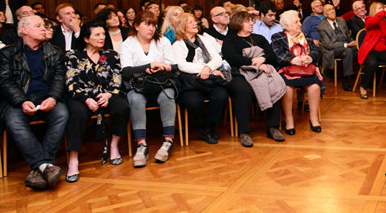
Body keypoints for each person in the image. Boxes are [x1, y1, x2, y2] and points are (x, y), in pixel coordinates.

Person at [0, 15, 68, 190]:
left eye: (44, 25)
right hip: (19, 99)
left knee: (62, 113)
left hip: (46, 97)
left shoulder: (55, 52)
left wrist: (52, 97)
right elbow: (5, 81)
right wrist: (21, 101)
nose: (44, 28)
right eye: (38, 26)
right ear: (24, 30)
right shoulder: (7, 53)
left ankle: (40, 166)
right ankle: (46, 166)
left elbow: (59, 78)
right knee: (13, 121)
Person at [64, 21, 129, 183]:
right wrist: (86, 99)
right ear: (86, 38)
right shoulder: (73, 56)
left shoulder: (111, 55)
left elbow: (116, 80)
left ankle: (114, 146)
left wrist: (108, 95)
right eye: (97, 35)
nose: (102, 38)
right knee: (77, 113)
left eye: (103, 35)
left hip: (105, 94)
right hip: (81, 96)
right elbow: (71, 82)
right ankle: (73, 159)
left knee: (122, 106)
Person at [120, 11, 178, 167]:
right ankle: (141, 144)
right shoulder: (128, 43)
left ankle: (168, 140)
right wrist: (149, 66)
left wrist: (160, 67)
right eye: (146, 24)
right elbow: (126, 71)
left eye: (153, 25)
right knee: (135, 99)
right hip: (138, 85)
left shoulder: (163, 41)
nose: (151, 28)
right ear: (137, 26)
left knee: (168, 96)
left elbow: (173, 66)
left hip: (159, 82)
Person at [222, 11, 285, 147]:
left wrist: (263, 59)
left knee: (274, 84)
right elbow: (232, 58)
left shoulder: (259, 38)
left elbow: (272, 55)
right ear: (238, 23)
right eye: (247, 21)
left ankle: (273, 127)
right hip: (239, 72)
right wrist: (254, 63)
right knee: (243, 90)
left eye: (252, 20)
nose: (252, 23)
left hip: (262, 70)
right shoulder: (230, 40)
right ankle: (244, 131)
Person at [172, 13, 229, 144]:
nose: (194, 24)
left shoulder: (204, 39)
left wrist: (208, 69)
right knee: (193, 102)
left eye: (195, 21)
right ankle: (204, 127)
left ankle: (208, 127)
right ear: (182, 26)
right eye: (190, 22)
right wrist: (203, 69)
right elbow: (181, 65)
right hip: (190, 82)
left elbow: (217, 58)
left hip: (209, 79)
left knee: (221, 95)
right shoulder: (178, 45)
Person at [271, 10, 324, 134]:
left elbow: (316, 51)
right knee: (287, 88)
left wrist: (310, 57)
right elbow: (277, 54)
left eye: (299, 21)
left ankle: (314, 119)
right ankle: (289, 121)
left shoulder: (306, 36)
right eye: (296, 22)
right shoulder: (277, 37)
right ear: (287, 26)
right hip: (288, 70)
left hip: (307, 69)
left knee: (315, 87)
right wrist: (293, 60)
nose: (300, 24)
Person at [357, 2, 386, 99]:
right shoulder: (369, 20)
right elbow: (374, 21)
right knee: (372, 63)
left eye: (382, 8)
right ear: (374, 10)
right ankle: (363, 86)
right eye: (380, 8)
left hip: (383, 51)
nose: (382, 10)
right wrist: (385, 10)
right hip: (370, 51)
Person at [316, 4, 357, 91]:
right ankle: (346, 79)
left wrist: (353, 42)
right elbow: (328, 45)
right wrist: (346, 45)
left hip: (346, 45)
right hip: (333, 49)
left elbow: (348, 35)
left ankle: (363, 77)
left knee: (358, 49)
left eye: (333, 9)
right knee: (348, 51)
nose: (332, 11)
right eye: (329, 10)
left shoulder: (341, 20)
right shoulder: (321, 27)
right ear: (325, 14)